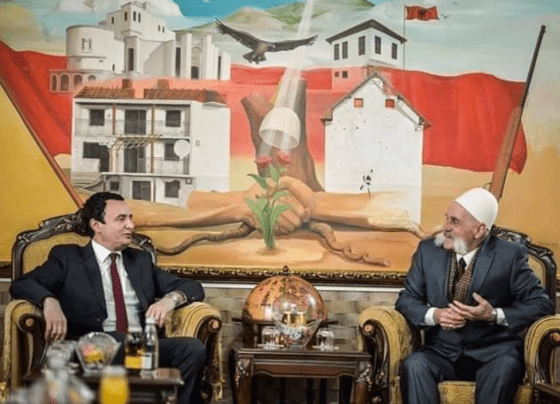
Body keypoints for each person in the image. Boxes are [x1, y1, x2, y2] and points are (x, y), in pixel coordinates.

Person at [10, 192, 207, 404]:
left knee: (192, 349)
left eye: (130, 218)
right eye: (121, 219)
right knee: (118, 340)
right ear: (97, 225)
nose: (131, 225)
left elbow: (192, 287)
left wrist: (170, 300)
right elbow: (23, 283)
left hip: (140, 346)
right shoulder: (68, 257)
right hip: (92, 349)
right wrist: (50, 301)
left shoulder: (139, 260)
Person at [395, 187, 554, 404]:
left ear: (479, 230)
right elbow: (407, 299)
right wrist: (435, 315)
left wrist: (493, 315)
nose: (445, 227)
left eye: (454, 222)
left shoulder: (508, 255)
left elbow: (541, 304)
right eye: (446, 218)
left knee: (504, 367)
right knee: (415, 364)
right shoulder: (428, 250)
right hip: (442, 352)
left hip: (494, 354)